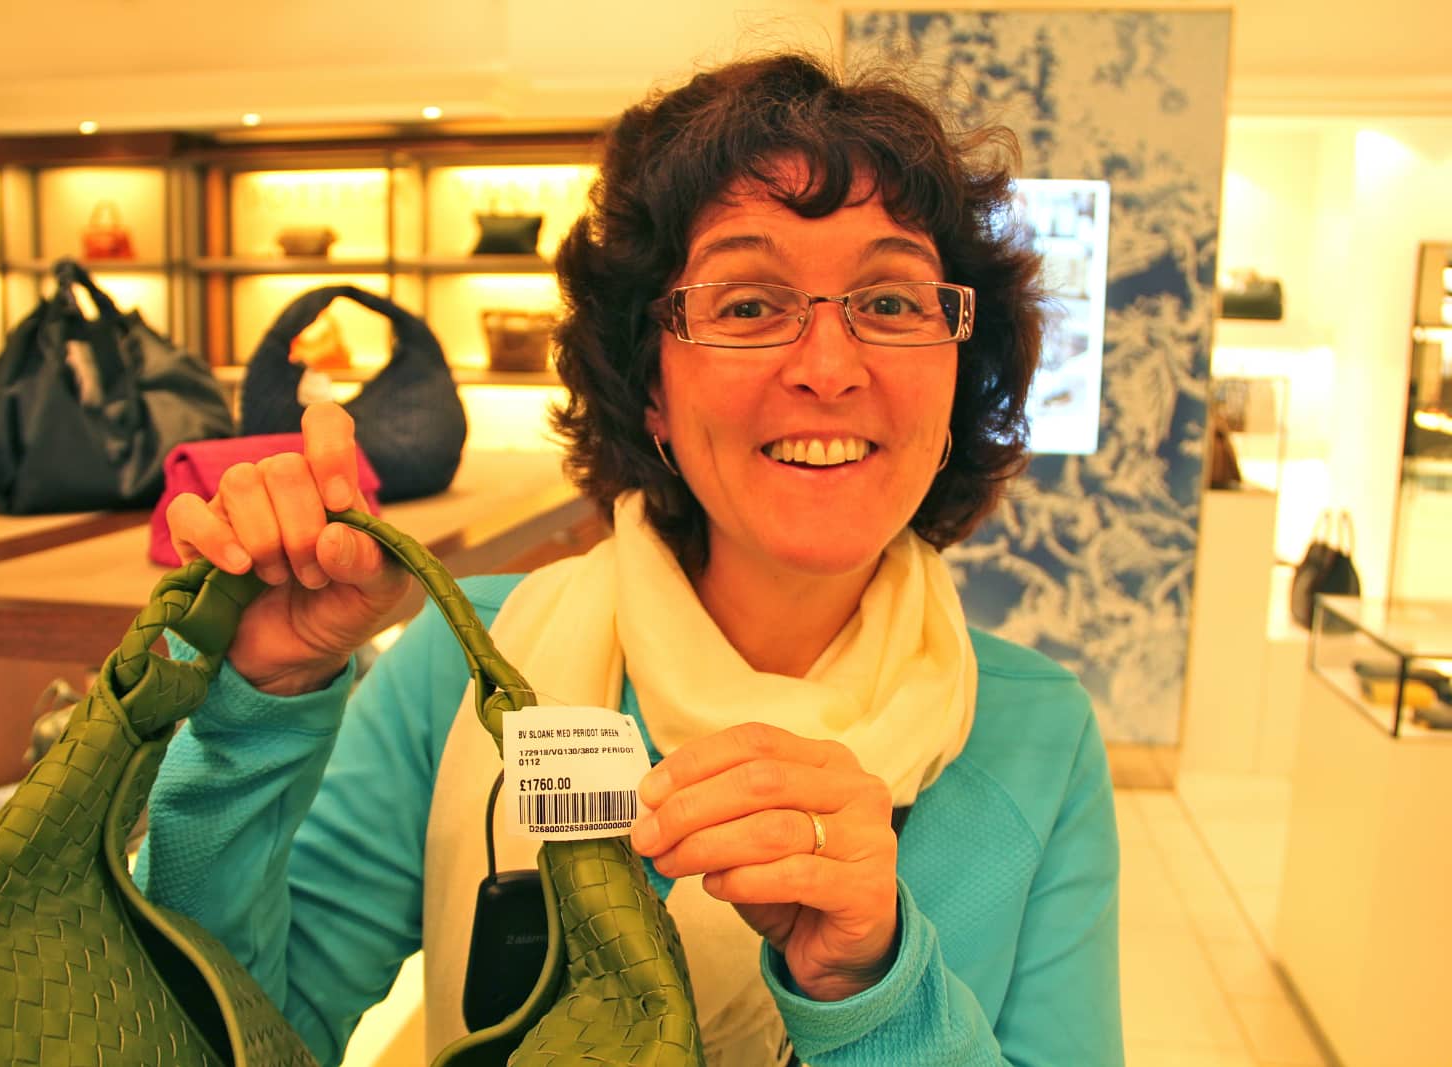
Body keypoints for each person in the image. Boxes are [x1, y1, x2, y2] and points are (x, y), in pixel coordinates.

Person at [139, 52, 1122, 1066]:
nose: (829, 368)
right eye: (747, 304)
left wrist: (872, 987)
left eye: (889, 302)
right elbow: (223, 1035)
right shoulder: (472, 659)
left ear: (959, 373)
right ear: (648, 385)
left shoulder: (1035, 736)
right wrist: (256, 717)